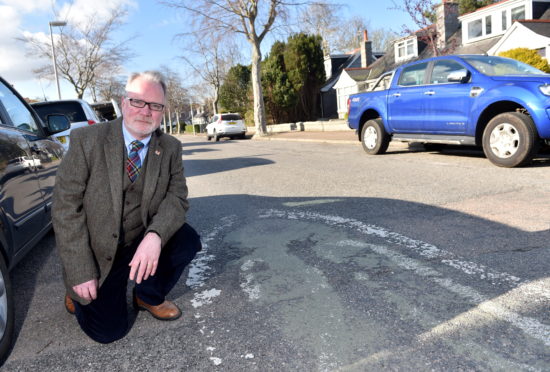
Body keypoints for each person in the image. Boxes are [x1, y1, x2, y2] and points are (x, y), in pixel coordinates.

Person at [52, 70, 201, 344]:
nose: (146, 111)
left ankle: (147, 296)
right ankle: (76, 293)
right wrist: (80, 271)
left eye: (155, 105)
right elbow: (65, 207)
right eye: (138, 102)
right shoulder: (88, 140)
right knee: (109, 332)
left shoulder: (170, 147)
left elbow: (177, 197)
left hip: (141, 238)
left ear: (162, 110)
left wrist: (155, 236)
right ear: (123, 103)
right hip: (98, 249)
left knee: (187, 240)